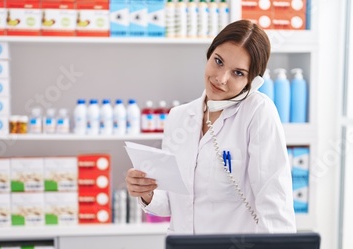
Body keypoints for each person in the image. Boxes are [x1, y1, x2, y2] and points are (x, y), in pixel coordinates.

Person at [125, 20, 296, 234]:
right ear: (209, 54)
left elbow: (274, 203)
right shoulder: (178, 117)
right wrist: (146, 191)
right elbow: (173, 203)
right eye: (218, 61)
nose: (221, 78)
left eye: (238, 73)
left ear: (252, 81)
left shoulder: (257, 112)